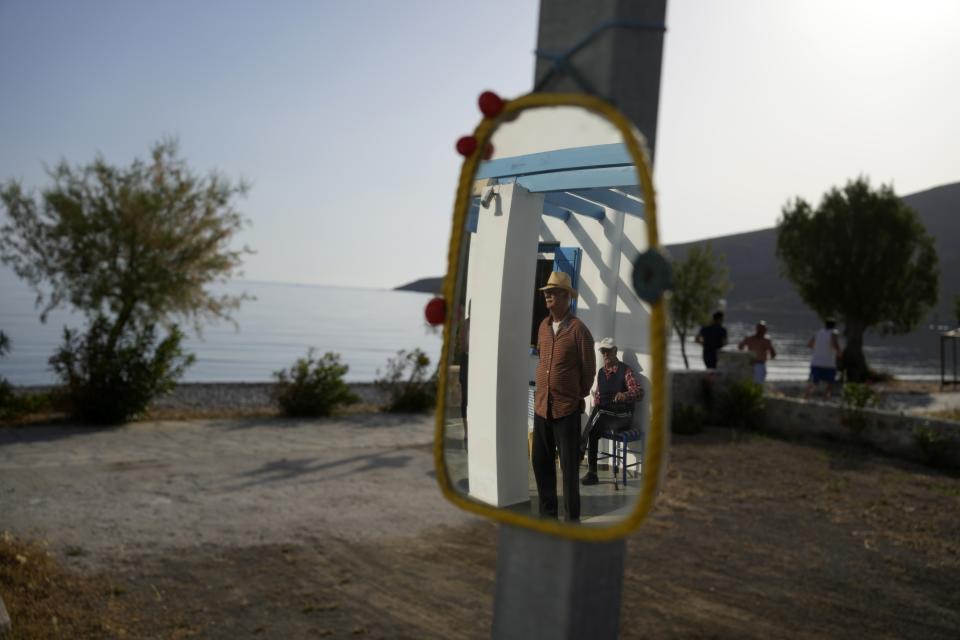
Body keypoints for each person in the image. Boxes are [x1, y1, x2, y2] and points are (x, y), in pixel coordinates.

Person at [532, 271, 595, 522]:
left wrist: (574, 394)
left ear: (566, 296)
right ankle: (548, 517)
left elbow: (589, 371)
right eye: (546, 292)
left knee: (569, 470)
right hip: (541, 408)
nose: (547, 295)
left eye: (553, 291)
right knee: (541, 464)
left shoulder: (579, 330)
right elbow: (541, 358)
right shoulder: (543, 327)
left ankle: (572, 520)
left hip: (566, 410)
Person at [580, 337, 644, 486]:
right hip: (606, 415)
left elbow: (639, 392)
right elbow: (598, 398)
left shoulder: (625, 370)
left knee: (598, 412)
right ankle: (592, 473)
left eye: (608, 351)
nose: (605, 355)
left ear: (615, 351)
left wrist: (625, 394)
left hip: (623, 416)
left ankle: (579, 451)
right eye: (603, 351)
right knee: (593, 431)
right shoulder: (601, 372)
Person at [805, 318, 843, 399]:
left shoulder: (818, 332)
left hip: (816, 362)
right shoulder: (834, 332)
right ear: (834, 326)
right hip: (829, 363)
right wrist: (839, 353)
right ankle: (826, 398)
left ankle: (807, 397)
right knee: (830, 383)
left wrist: (819, 348)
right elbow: (834, 344)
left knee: (814, 382)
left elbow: (810, 344)